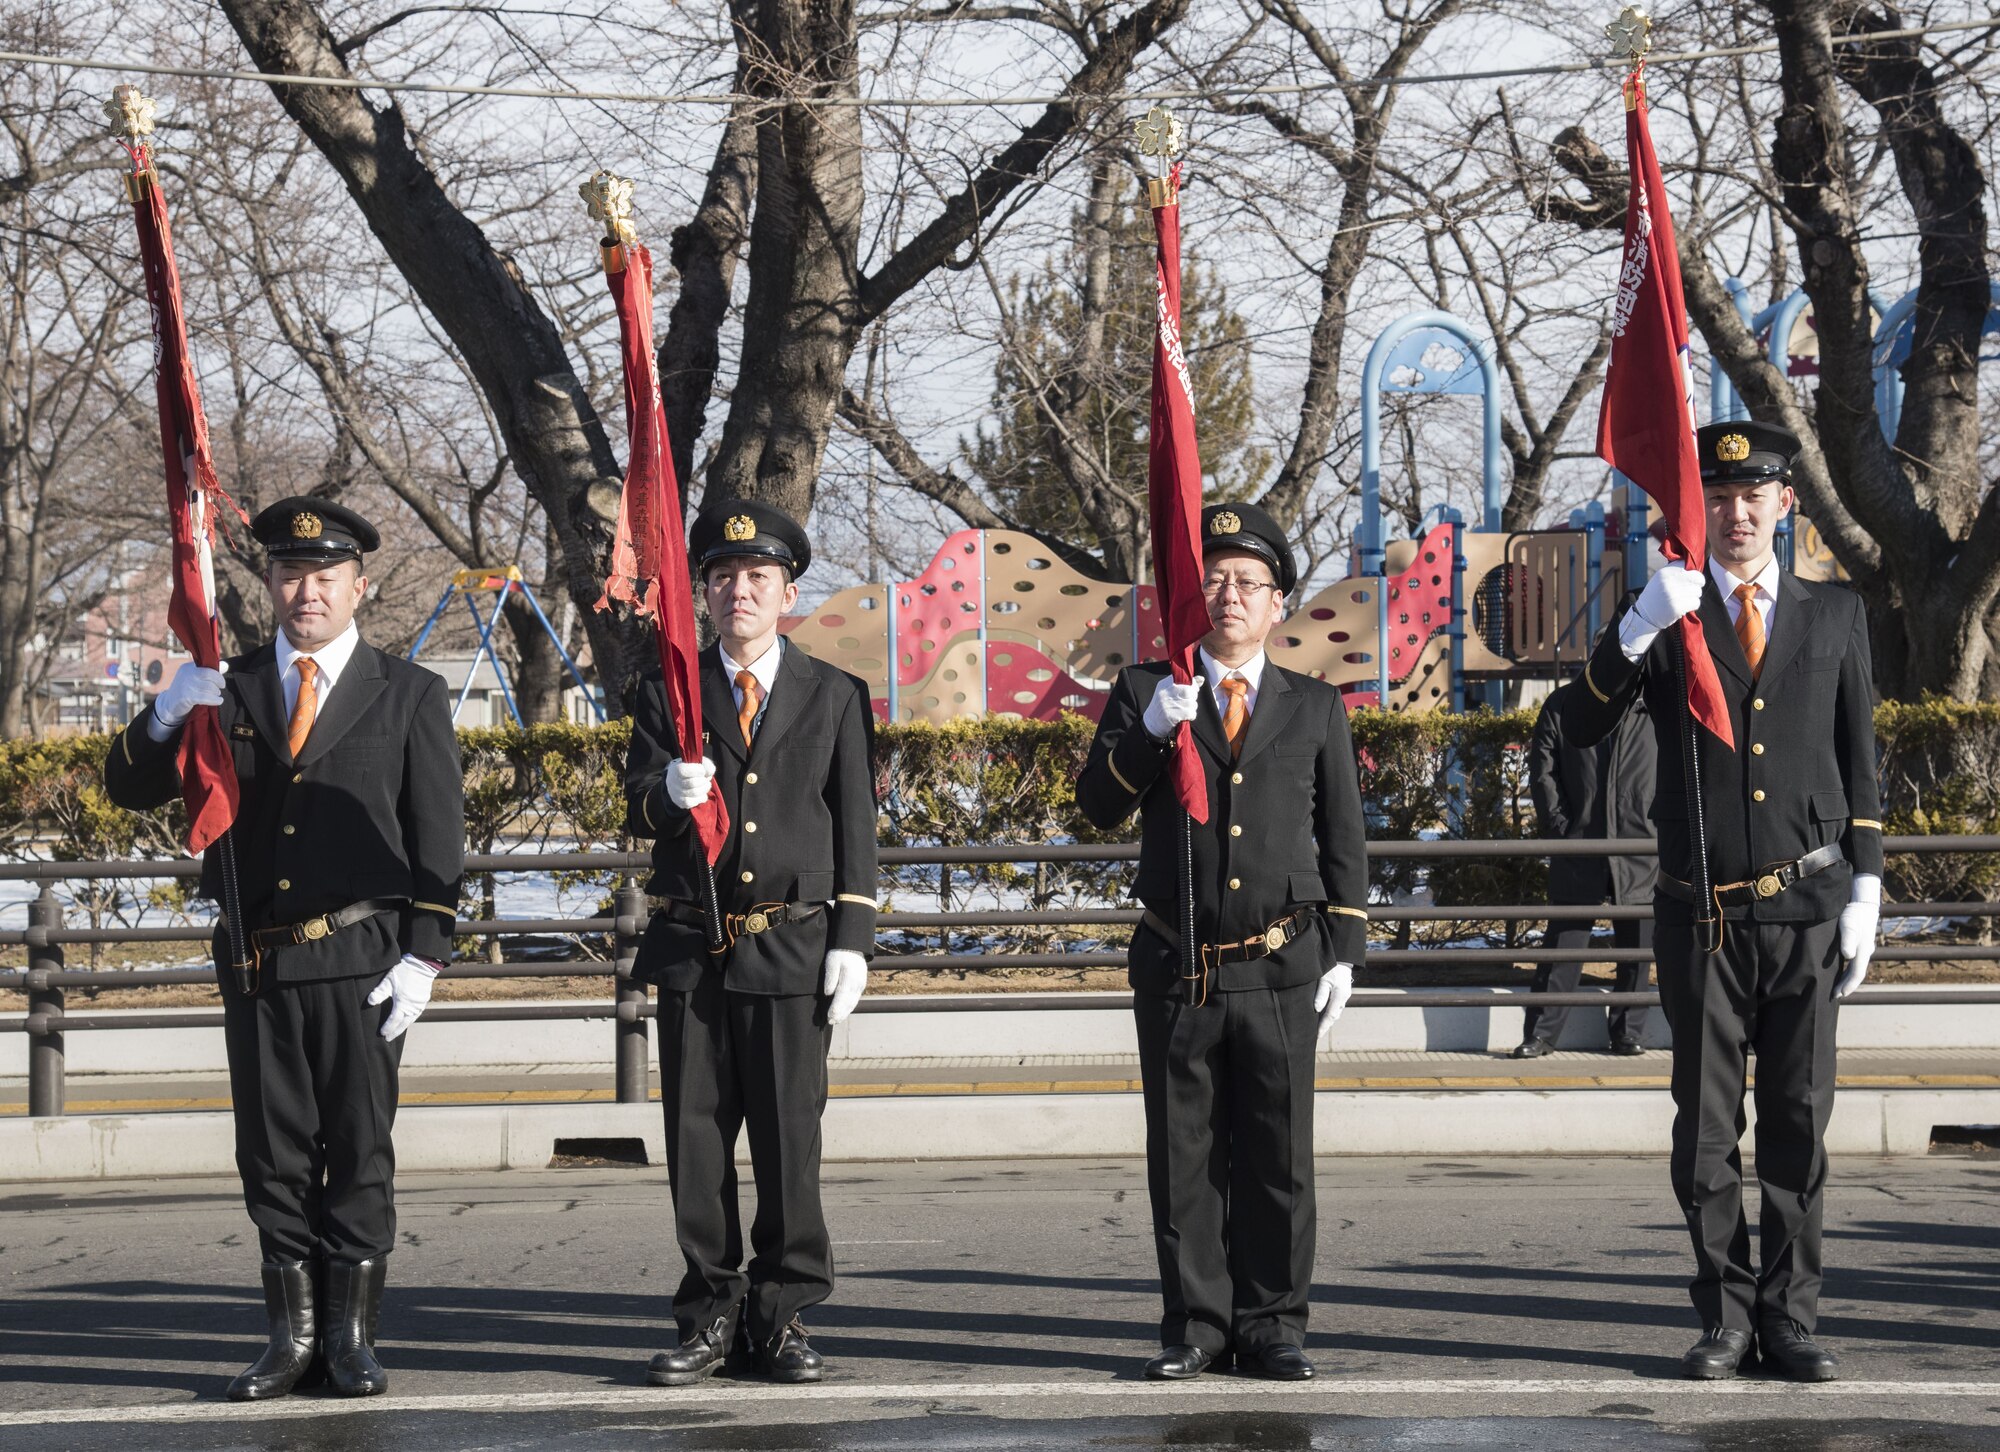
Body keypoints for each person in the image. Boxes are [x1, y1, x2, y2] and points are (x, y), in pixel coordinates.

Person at [103, 497, 464, 1400]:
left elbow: (437, 838)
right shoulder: (228, 688)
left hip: (362, 959)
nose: (308, 591)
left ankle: (349, 1340)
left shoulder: (408, 691)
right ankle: (290, 1338)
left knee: (358, 1147)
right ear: (268, 582)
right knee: (272, 1154)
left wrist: (425, 953)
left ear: (360, 587)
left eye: (326, 576)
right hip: (260, 958)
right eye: (291, 573)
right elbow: (130, 790)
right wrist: (162, 717)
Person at [1562, 421, 1882, 1383]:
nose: (1737, 514)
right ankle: (1726, 1315)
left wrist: (1867, 881)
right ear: (1695, 512)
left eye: (1755, 497)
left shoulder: (1834, 615)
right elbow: (1579, 722)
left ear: (1787, 504)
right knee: (1704, 1133)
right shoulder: (1672, 613)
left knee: (1797, 1124)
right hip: (1700, 914)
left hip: (1808, 907)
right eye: (1719, 499)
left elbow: (1858, 759)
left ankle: (1788, 1319)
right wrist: (1640, 625)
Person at [1075, 502, 1368, 1383]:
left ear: (1279, 605)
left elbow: (1342, 836)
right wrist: (1156, 730)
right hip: (1180, 961)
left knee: (1279, 1155)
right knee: (1186, 1155)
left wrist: (1348, 948)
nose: (1231, 595)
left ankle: (1274, 1323)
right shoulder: (1143, 692)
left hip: (1281, 961)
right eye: (1215, 581)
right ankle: (1198, 1324)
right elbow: (1097, 805)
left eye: (1250, 583)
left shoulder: (1314, 705)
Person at [624, 498, 878, 1387]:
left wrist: (854, 937)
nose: (740, 591)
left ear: (788, 591)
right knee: (697, 1146)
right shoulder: (670, 690)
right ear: (706, 591)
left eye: (757, 578)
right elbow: (634, 808)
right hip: (694, 948)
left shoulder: (834, 694)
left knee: (785, 1147)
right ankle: (708, 1313)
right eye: (725, 578)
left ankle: (782, 1316)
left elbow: (855, 826)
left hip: (792, 947)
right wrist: (667, 789)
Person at [1517, 627, 1658, 1058]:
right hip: (1580, 846)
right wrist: (1561, 828)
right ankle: (1540, 1035)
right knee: (1564, 943)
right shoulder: (1563, 704)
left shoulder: (1655, 706)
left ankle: (1628, 1032)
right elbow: (1543, 773)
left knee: (1638, 948)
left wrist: (1664, 831)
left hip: (1642, 845)